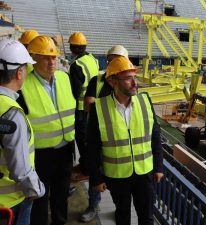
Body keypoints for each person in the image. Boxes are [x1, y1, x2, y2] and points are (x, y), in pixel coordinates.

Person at [87, 56, 164, 225]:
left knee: (147, 217)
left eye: (134, 77)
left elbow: (155, 136)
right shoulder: (99, 108)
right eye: (128, 78)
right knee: (122, 216)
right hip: (117, 175)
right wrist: (96, 178)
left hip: (145, 173)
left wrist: (158, 166)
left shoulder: (145, 102)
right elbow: (92, 146)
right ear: (112, 81)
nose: (134, 82)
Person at [17, 35, 76, 225]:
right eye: (45, 58)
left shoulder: (65, 78)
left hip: (66, 150)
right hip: (40, 155)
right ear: (33, 59)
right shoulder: (23, 86)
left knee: (61, 195)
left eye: (54, 57)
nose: (52, 62)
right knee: (39, 199)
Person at [78, 45, 128, 223]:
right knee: (96, 174)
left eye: (117, 59)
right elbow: (88, 105)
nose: (112, 62)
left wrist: (101, 107)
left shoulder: (128, 84)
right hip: (98, 138)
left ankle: (120, 209)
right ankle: (93, 205)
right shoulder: (97, 81)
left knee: (120, 179)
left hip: (120, 140)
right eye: (110, 59)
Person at [0, 39, 45, 225]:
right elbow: (21, 171)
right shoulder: (12, 113)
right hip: (10, 205)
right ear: (19, 72)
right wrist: (37, 190)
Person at [68, 31, 99, 182]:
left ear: (72, 48)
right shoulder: (92, 58)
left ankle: (87, 170)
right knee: (88, 138)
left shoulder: (76, 65)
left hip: (81, 108)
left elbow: (75, 92)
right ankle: (83, 165)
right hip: (92, 104)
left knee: (82, 139)